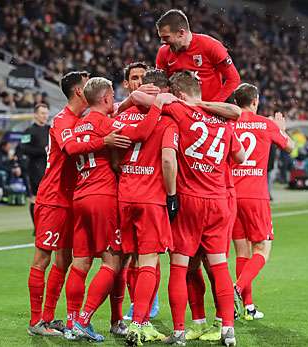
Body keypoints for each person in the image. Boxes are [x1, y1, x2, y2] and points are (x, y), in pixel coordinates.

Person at [64, 77, 166, 342]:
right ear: (107, 98)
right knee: (113, 261)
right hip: (103, 196)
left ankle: (73, 319)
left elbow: (72, 148)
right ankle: (84, 320)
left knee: (81, 261)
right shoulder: (108, 125)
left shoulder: (80, 123)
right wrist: (158, 107)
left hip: (80, 195)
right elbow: (142, 133)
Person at [158, 71, 245, 347]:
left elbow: (157, 99)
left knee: (180, 265)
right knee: (219, 264)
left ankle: (180, 332)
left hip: (189, 200)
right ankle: (228, 330)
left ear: (180, 95)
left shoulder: (180, 113)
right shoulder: (224, 119)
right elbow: (241, 157)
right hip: (219, 200)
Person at [26, 71, 92, 338]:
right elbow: (70, 149)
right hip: (53, 199)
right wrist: (103, 140)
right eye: (88, 86)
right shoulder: (62, 120)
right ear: (78, 91)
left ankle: (49, 318)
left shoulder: (81, 119)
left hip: (71, 199)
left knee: (64, 261)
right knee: (43, 258)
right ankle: (34, 321)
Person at [114, 69, 178, 346]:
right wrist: (172, 195)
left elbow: (115, 159)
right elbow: (167, 161)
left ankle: (125, 317)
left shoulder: (121, 115)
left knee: (130, 259)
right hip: (151, 198)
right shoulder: (167, 121)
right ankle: (140, 323)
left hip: (124, 195)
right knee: (150, 261)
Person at [228, 84, 294, 320]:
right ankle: (236, 289)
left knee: (241, 252)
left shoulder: (230, 123)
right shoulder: (266, 125)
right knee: (263, 250)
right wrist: (281, 129)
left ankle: (248, 308)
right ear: (255, 101)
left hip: (232, 194)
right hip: (256, 195)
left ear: (236, 102)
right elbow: (290, 147)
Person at [155, 9, 240, 102]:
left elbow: (233, 79)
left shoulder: (210, 46)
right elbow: (161, 83)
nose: (162, 42)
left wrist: (213, 105)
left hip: (207, 112)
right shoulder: (163, 52)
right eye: (161, 37)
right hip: (178, 110)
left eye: (166, 37)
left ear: (181, 33)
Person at [20, 103, 50, 224]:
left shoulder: (50, 129)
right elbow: (23, 148)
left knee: (49, 198)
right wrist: (42, 151)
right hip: (35, 169)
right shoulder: (28, 131)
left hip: (49, 168)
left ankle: (47, 224)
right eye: (42, 113)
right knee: (36, 198)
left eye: (46, 113)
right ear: (35, 115)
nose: (45, 116)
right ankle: (37, 227)